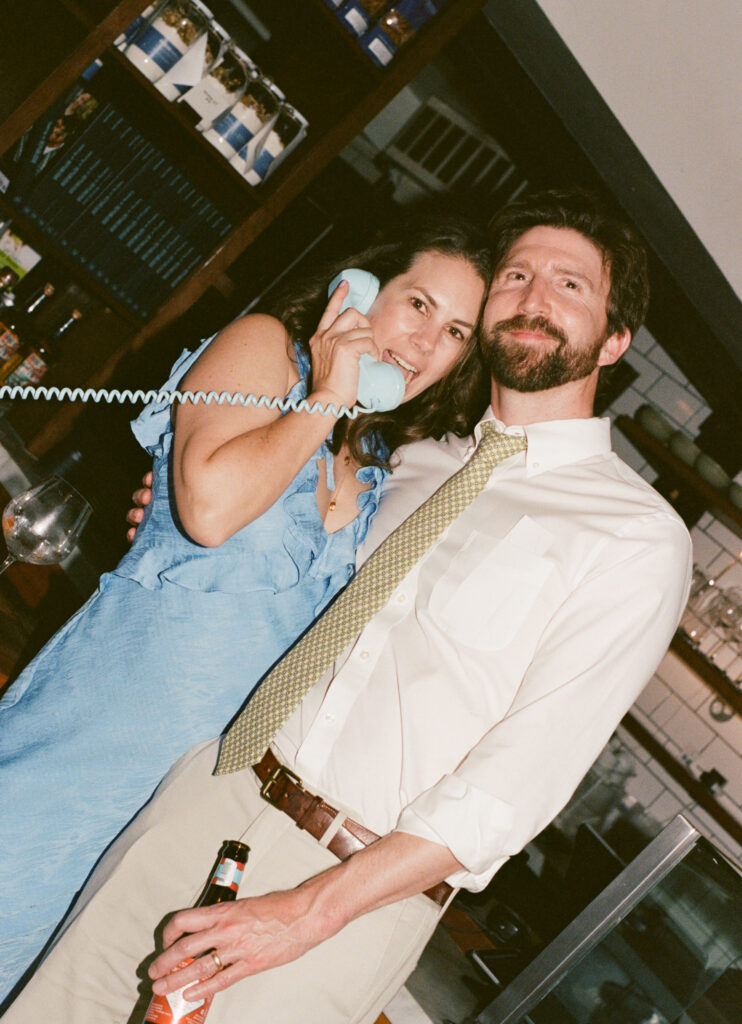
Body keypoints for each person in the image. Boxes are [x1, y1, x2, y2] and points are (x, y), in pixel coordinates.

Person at [4, 188, 692, 1024]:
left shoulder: (636, 539)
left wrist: (310, 911)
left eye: (570, 285)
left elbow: (512, 789)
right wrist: (170, 507)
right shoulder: (408, 462)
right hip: (200, 801)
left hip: (338, 899)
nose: (533, 298)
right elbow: (261, 547)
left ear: (615, 338)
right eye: (515, 275)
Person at [0, 216, 493, 1001]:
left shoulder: (375, 465)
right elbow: (212, 511)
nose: (426, 341)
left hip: (176, 811)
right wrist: (330, 391)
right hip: (89, 742)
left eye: (458, 331)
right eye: (418, 304)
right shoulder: (270, 351)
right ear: (360, 291)